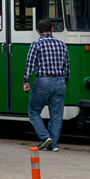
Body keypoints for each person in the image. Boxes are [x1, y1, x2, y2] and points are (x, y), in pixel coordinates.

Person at [23, 18, 70, 151]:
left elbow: (30, 64)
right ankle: (54, 145)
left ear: (38, 31)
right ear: (52, 30)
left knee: (34, 111)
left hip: (43, 81)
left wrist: (26, 81)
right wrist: (64, 81)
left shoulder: (36, 44)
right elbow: (67, 67)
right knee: (56, 115)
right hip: (60, 81)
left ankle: (45, 137)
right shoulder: (62, 45)